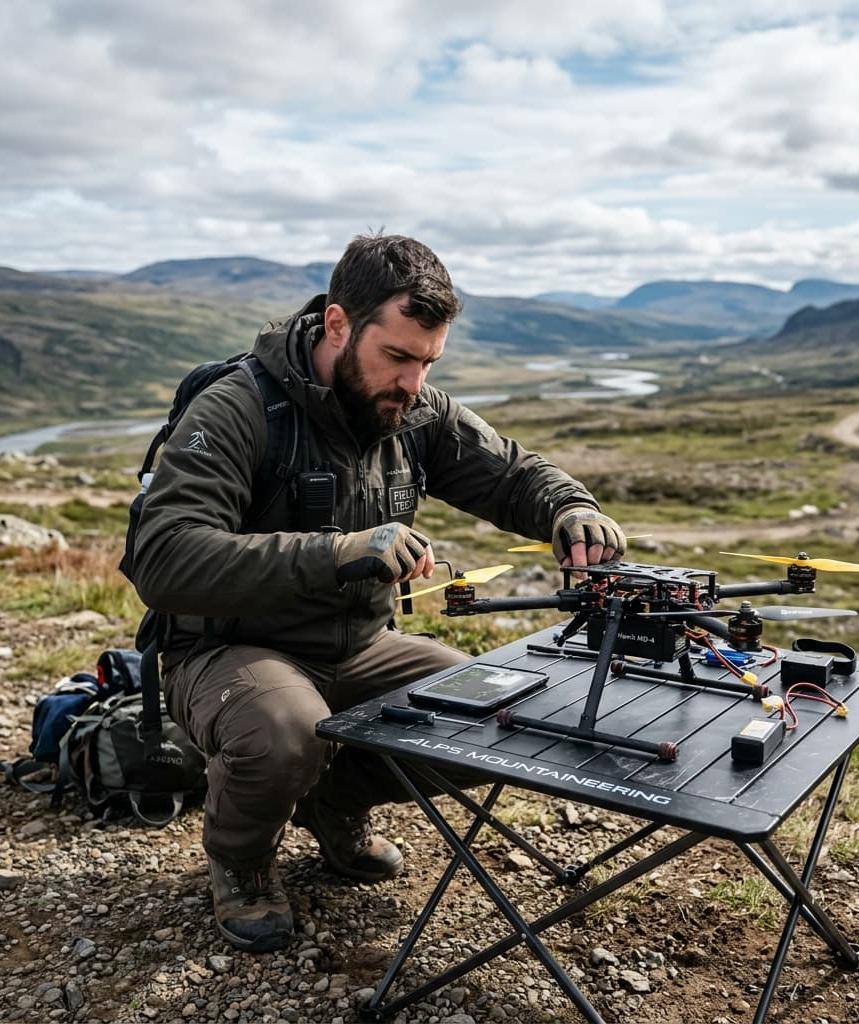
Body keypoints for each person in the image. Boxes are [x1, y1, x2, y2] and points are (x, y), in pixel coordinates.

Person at [131, 233, 626, 953]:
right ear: (339, 325)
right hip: (231, 650)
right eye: (397, 356)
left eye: (428, 361)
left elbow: (512, 473)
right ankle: (240, 860)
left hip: (361, 647)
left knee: (494, 713)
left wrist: (568, 507)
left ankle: (334, 804)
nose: (413, 382)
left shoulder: (416, 411)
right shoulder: (238, 408)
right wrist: (336, 552)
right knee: (285, 733)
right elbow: (165, 558)